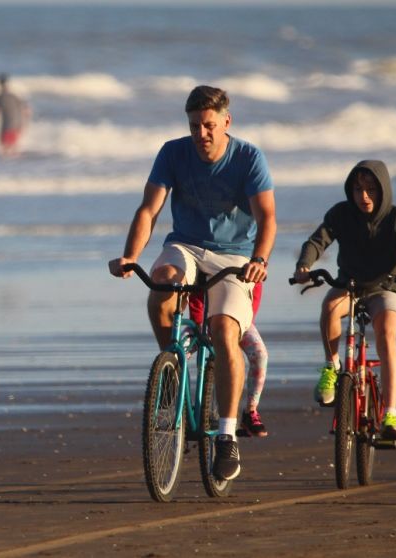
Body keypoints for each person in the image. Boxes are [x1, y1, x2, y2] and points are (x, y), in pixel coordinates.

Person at [108, 85, 276, 481]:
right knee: (161, 287)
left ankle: (227, 434)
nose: (201, 134)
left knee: (223, 328)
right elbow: (149, 209)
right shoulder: (172, 152)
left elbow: (266, 217)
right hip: (184, 246)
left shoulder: (249, 157)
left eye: (209, 125)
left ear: (226, 122)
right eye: (194, 125)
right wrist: (131, 255)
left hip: (235, 255)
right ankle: (171, 374)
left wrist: (259, 260)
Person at [291, 160, 396, 442]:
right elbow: (317, 242)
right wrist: (304, 266)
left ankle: (390, 415)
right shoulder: (341, 214)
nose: (363, 196)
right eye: (357, 189)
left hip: (384, 288)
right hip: (349, 286)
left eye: (370, 190)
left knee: (387, 335)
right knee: (329, 307)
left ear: (382, 191)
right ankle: (332, 368)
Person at [188, 281, 269, 438]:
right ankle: (177, 400)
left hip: (239, 320)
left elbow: (254, 294)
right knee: (178, 351)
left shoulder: (249, 262)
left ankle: (250, 411)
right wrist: (198, 321)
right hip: (203, 320)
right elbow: (197, 294)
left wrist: (242, 321)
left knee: (260, 355)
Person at [0, 73, 30, 158]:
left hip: (8, 124)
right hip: (18, 123)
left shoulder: (0, 97)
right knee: (14, 148)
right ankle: (14, 167)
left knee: (4, 149)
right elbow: (27, 109)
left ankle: (6, 168)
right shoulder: (14, 95)